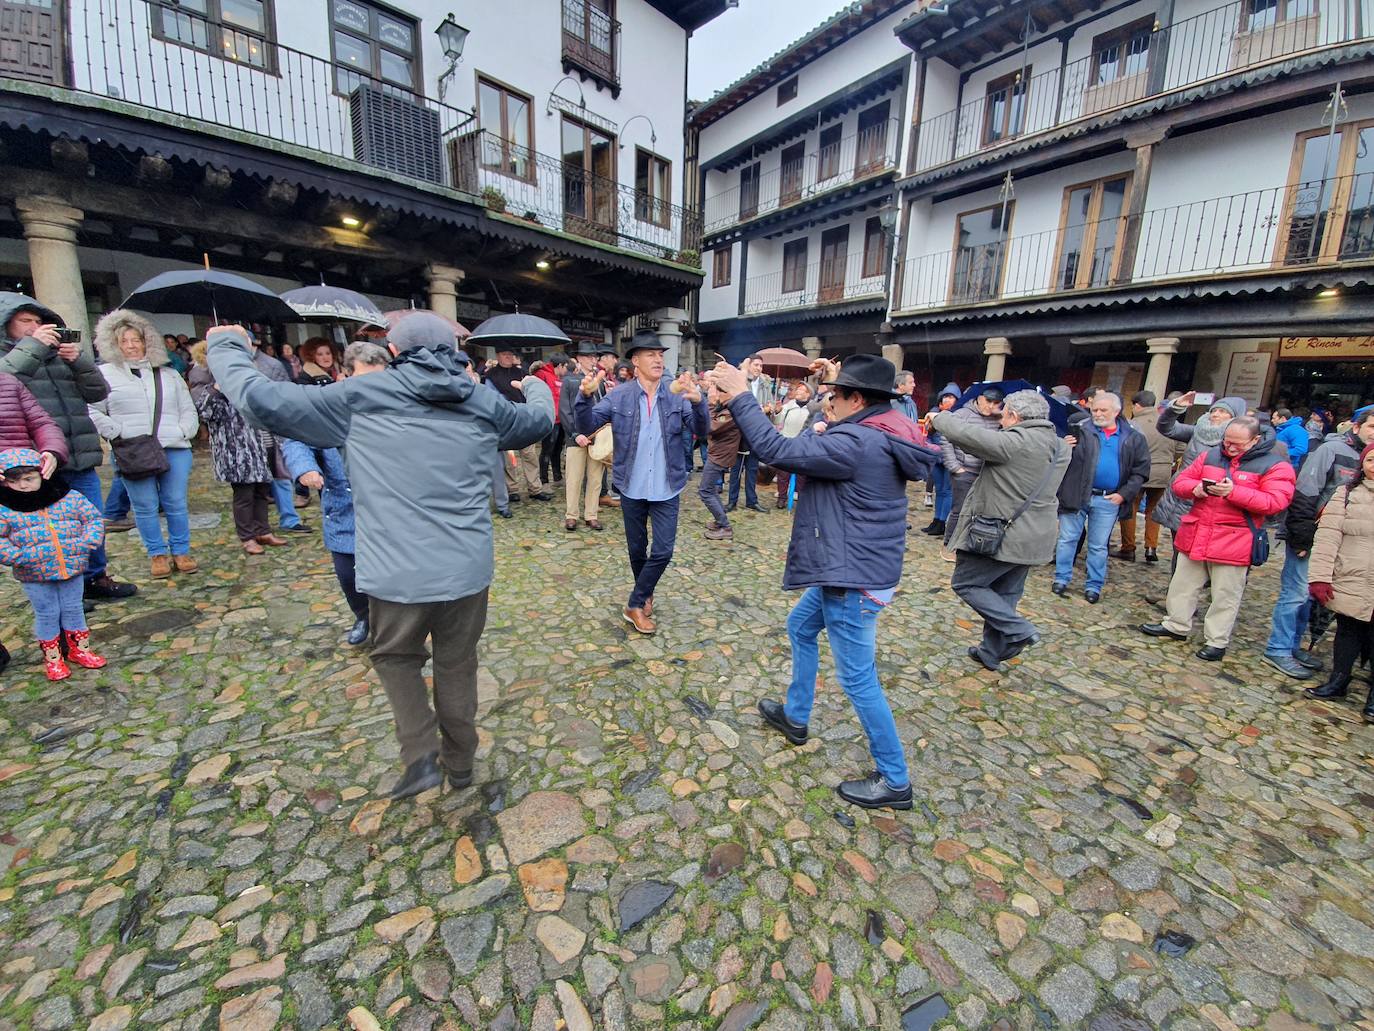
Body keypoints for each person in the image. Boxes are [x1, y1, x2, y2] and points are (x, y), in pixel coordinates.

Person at [207, 314, 553, 800]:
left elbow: (261, 401)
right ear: (453, 352)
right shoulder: (482, 402)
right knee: (457, 664)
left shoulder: (359, 395)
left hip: (396, 571)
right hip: (466, 569)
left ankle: (419, 757)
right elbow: (537, 420)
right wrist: (535, 384)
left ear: (394, 353)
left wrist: (226, 346)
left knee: (394, 657)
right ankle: (460, 764)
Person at [711, 354, 938, 809]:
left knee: (858, 680)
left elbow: (776, 452)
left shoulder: (857, 441)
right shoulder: (880, 428)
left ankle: (895, 781)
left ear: (858, 400)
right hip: (855, 564)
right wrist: (826, 395)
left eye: (835, 395)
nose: (827, 400)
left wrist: (739, 394)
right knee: (800, 627)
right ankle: (795, 717)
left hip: (853, 577)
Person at [0, 293, 137, 604]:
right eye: (26, 321)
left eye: (39, 321)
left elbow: (98, 392)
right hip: (36, 461)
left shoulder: (58, 357)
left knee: (90, 518)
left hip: (79, 450)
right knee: (46, 531)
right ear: (6, 325)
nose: (35, 327)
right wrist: (32, 347)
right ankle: (63, 590)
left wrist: (80, 361)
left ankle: (95, 578)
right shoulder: (8, 360)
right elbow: (5, 383)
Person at [576, 330, 708, 634]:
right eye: (651, 354)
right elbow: (586, 427)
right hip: (631, 486)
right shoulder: (619, 395)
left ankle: (634, 603)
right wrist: (583, 398)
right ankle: (645, 594)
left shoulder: (676, 395)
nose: (658, 359)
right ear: (635, 361)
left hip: (666, 486)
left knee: (663, 550)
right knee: (637, 549)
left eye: (661, 355)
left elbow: (702, 430)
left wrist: (700, 403)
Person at [1140, 416, 1295, 661]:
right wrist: (1195, 489)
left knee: (1225, 594)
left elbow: (1276, 502)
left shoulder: (1275, 465)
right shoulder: (1211, 455)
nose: (1230, 447)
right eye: (1227, 441)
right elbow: (1180, 481)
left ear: (1255, 440)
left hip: (1235, 537)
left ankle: (1216, 640)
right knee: (1182, 584)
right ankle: (1176, 624)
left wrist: (1234, 492)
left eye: (1237, 444)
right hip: (1198, 529)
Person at [936, 390, 1068, 671]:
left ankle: (1018, 629)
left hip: (998, 532)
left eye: (1004, 415)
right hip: (1035, 536)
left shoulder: (1015, 442)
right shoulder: (1061, 446)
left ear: (1015, 416)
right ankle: (991, 652)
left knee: (966, 583)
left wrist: (941, 417)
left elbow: (968, 436)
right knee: (1006, 593)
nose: (1001, 421)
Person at [280, 342, 387, 648]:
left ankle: (394, 629)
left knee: (391, 577)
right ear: (346, 375)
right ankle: (363, 615)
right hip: (344, 506)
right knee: (348, 574)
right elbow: (297, 439)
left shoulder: (396, 407)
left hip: (387, 509)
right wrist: (305, 468)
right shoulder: (327, 408)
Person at [86, 310, 201, 579]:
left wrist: (184, 431)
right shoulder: (103, 374)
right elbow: (92, 409)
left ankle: (181, 550)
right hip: (133, 448)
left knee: (175, 501)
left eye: (136, 339)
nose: (131, 345)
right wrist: (117, 432)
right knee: (145, 505)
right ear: (113, 344)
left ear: (147, 340)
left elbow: (188, 408)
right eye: (124, 340)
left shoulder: (168, 375)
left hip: (173, 446)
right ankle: (157, 553)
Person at [1262, 407, 1374, 679]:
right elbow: (1305, 492)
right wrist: (1301, 536)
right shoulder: (1331, 450)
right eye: (1372, 426)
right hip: (1310, 536)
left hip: (1341, 547)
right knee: (1296, 594)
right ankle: (1278, 648)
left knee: (1312, 597)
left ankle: (1294, 645)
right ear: (1357, 427)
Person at [0, 448, 107, 681]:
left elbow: (92, 518)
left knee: (73, 608)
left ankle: (80, 650)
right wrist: (19, 557)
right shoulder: (6, 509)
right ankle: (53, 658)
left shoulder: (68, 498)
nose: (24, 486)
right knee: (47, 613)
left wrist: (87, 542)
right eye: (15, 481)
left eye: (29, 479)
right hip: (34, 574)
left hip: (72, 567)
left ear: (43, 474)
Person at [1050, 391, 1149, 603]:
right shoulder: (1078, 430)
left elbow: (1140, 471)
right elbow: (1059, 461)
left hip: (1108, 499)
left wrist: (1124, 494)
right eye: (1094, 409)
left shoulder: (1132, 437)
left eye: (1103, 410)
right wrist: (1063, 448)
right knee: (1067, 539)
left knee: (1098, 545)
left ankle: (1093, 585)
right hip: (1077, 494)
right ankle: (1061, 578)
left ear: (1117, 411)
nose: (1097, 413)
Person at [1303, 442, 1374, 718]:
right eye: (1370, 461)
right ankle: (1339, 680)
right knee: (1347, 631)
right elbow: (1328, 537)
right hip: (1351, 575)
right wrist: (1321, 576)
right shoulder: (1346, 494)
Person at [192, 366, 284, 555]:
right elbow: (204, 413)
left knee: (261, 491)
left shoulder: (248, 389)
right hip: (236, 453)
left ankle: (263, 530)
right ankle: (247, 537)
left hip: (258, 447)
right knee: (244, 495)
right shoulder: (214, 392)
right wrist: (216, 390)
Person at [1151, 393, 1246, 559]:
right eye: (1214, 410)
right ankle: (1178, 583)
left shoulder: (1241, 441)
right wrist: (1175, 408)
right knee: (1180, 549)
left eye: (1223, 412)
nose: (1216, 414)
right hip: (1184, 496)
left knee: (1206, 551)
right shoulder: (1197, 431)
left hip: (1215, 501)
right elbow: (1166, 427)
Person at [244, 332, 312, 535]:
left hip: (271, 428)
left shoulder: (271, 365)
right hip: (244, 434)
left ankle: (289, 518)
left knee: (281, 475)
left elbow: (284, 393)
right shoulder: (225, 368)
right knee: (253, 484)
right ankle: (257, 528)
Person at [939, 386, 1005, 559]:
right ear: (980, 398)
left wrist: (1001, 418)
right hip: (964, 470)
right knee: (959, 509)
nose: (991, 406)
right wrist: (955, 467)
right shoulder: (962, 414)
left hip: (986, 472)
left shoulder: (998, 419)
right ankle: (948, 545)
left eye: (996, 403)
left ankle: (969, 544)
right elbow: (945, 439)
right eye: (989, 401)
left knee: (980, 510)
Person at [1116, 390, 1176, 563]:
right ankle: (1151, 547)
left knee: (1130, 508)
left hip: (1139, 472)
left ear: (1137, 405)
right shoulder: (1168, 423)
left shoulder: (1133, 424)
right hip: (1163, 472)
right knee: (1153, 511)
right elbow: (1180, 446)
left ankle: (1128, 547)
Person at [485, 346, 549, 502]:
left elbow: (530, 392)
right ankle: (512, 489)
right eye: (504, 353)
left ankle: (535, 488)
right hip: (505, 420)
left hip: (524, 417)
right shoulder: (490, 376)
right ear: (498, 356)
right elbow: (491, 398)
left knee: (530, 455)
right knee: (508, 458)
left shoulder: (521, 373)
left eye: (510, 354)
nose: (508, 356)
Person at [560, 344, 606, 531]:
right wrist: (575, 434)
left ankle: (591, 515)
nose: (591, 360)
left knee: (595, 479)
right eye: (586, 356)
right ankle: (571, 515)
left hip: (596, 437)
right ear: (578, 358)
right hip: (575, 437)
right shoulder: (570, 381)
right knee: (574, 478)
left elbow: (603, 410)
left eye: (593, 356)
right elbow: (565, 411)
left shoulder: (600, 382)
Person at [700, 382, 741, 540]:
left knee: (705, 491)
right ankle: (720, 520)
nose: (716, 395)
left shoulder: (730, 411)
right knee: (709, 489)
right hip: (718, 452)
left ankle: (725, 526)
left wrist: (710, 404)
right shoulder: (725, 407)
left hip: (720, 455)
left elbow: (710, 427)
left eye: (719, 392)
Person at [920, 383, 960, 536]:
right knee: (939, 490)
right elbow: (928, 436)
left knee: (947, 491)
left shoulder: (959, 415)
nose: (948, 400)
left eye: (952, 397)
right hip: (937, 459)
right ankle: (936, 520)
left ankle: (943, 522)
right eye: (946, 396)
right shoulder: (934, 413)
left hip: (950, 458)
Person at [771, 383, 812, 508]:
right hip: (787, 443)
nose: (798, 391)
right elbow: (776, 421)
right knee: (783, 473)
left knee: (802, 475)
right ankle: (782, 498)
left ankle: (801, 498)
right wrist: (777, 412)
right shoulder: (789, 405)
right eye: (797, 389)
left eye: (801, 390)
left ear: (808, 393)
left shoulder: (812, 408)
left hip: (803, 445)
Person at [535, 354, 568, 488]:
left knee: (557, 450)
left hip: (560, 419)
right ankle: (543, 480)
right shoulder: (542, 375)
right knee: (547, 450)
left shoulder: (557, 378)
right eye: (565, 367)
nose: (566, 370)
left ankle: (557, 476)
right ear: (559, 366)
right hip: (550, 419)